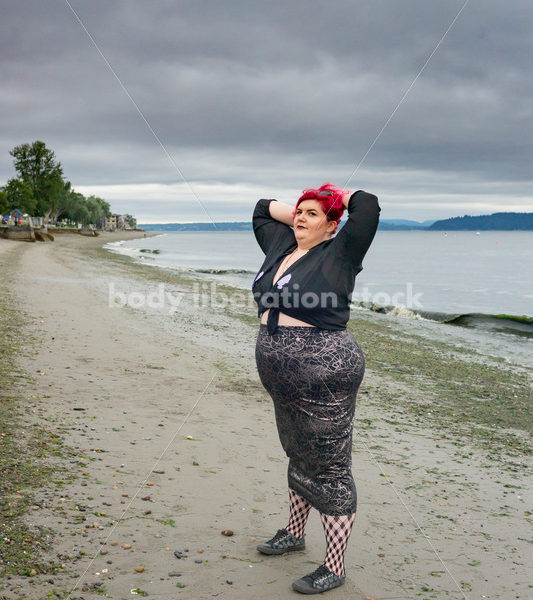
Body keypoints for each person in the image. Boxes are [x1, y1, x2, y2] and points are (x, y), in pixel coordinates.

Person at [252, 182, 380, 594]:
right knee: (296, 450)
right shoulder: (280, 247)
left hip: (326, 372)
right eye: (299, 213)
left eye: (312, 214)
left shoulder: (340, 253)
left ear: (332, 226)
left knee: (330, 467)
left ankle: (334, 565)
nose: (301, 218)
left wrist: (332, 202)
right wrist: (306, 214)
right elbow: (260, 210)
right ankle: (293, 533)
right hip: (283, 377)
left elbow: (368, 207)